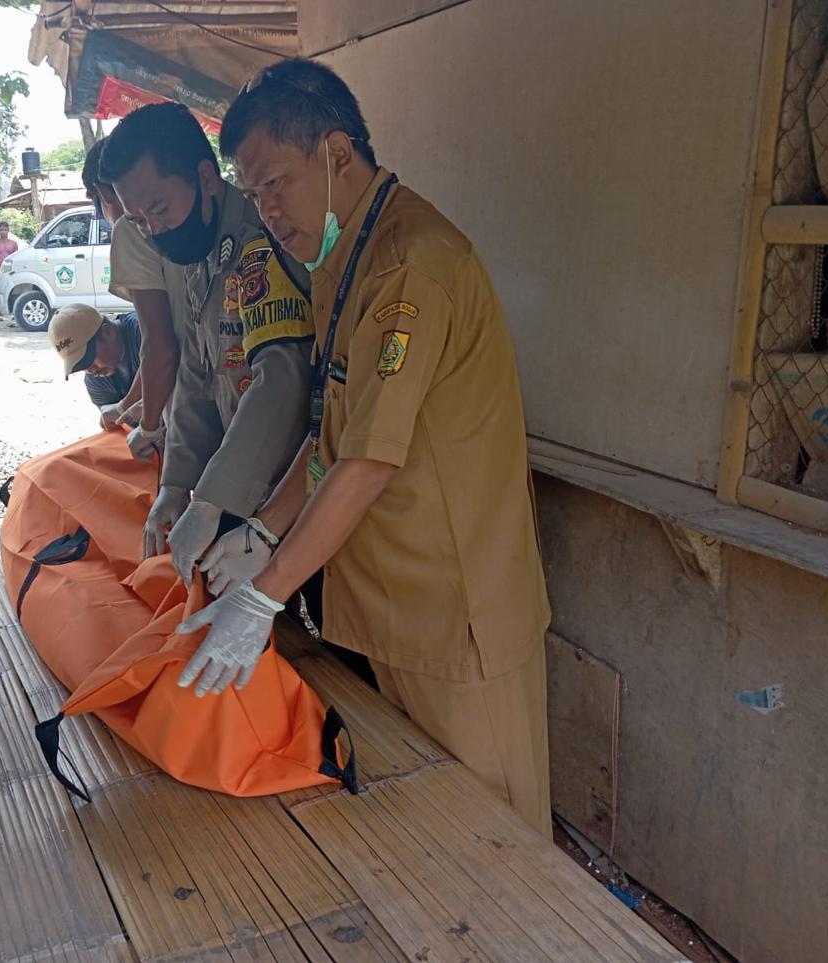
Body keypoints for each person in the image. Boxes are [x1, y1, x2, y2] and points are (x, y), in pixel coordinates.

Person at [180, 58, 553, 835]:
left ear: (337, 154)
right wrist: (262, 529)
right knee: (430, 831)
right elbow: (330, 429)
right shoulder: (340, 256)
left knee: (496, 836)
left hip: (456, 616)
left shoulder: (409, 267)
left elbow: (369, 460)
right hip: (395, 606)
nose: (266, 209)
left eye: (275, 183)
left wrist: (263, 593)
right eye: (252, 194)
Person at [99, 103, 316, 571]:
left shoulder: (258, 241)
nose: (154, 231)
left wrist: (211, 498)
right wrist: (176, 485)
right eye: (138, 222)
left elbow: (280, 379)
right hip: (247, 479)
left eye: (158, 209)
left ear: (205, 177)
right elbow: (197, 373)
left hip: (299, 483)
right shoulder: (201, 251)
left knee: (307, 611)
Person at [82, 136, 183, 460]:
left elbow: (161, 344)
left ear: (103, 194)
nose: (147, 224)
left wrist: (147, 422)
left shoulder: (129, 228)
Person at [48, 304, 144, 427]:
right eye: (80, 366)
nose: (90, 370)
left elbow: (160, 362)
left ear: (108, 332)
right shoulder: (96, 383)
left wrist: (123, 406)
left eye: (88, 359)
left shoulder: (143, 331)